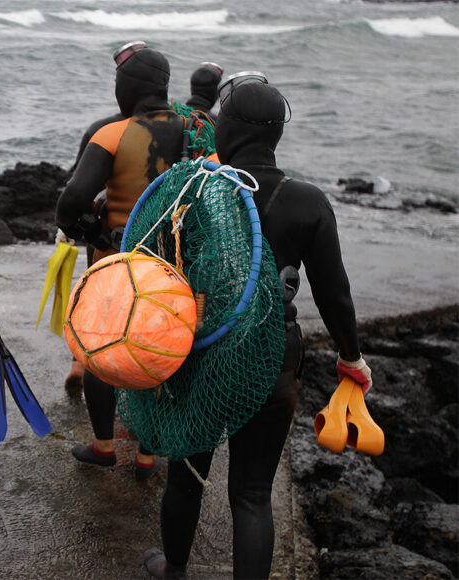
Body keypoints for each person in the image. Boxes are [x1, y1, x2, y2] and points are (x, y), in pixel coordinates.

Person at [142, 73, 373, 579]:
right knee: (251, 494)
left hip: (200, 351)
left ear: (229, 130)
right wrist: (351, 357)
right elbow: (335, 294)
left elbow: (155, 277)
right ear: (274, 135)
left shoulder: (195, 189)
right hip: (272, 354)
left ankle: (174, 568)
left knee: (184, 476)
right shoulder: (308, 201)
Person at [56, 41, 187, 480]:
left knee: (100, 352)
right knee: (158, 352)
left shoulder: (112, 134)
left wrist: (89, 233)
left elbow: (72, 198)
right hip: (172, 267)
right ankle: (148, 454)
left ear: (127, 88)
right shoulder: (197, 132)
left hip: (116, 264)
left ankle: (105, 445)